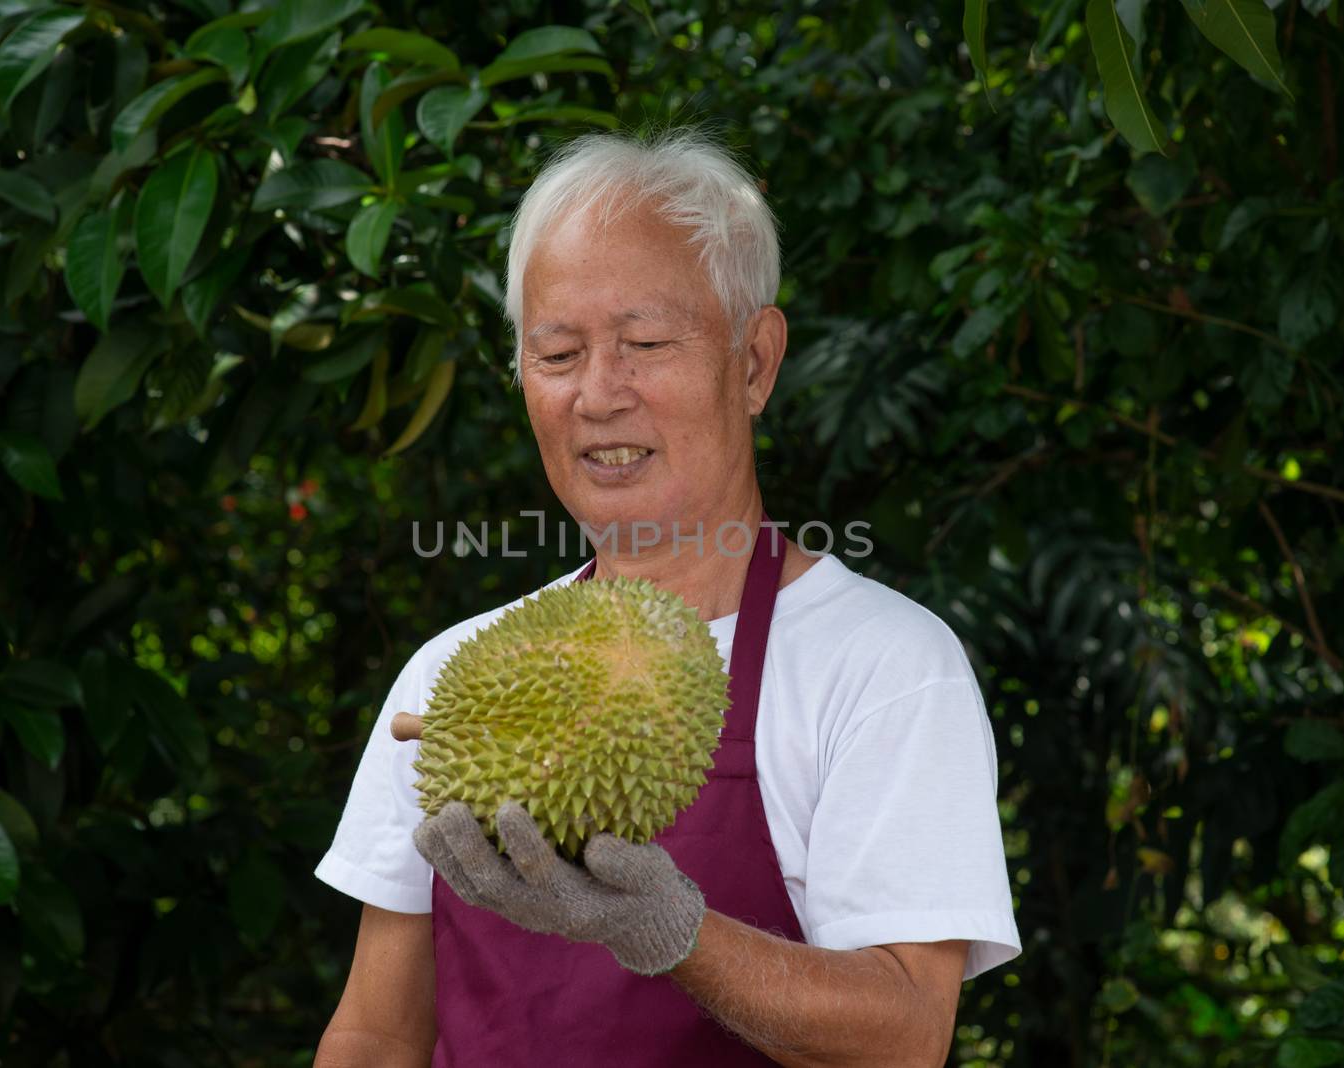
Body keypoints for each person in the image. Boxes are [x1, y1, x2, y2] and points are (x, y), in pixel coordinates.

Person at [312, 130, 1021, 1066]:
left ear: (756, 362)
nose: (600, 394)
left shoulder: (883, 666)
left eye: (646, 343)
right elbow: (376, 1033)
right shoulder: (448, 676)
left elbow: (904, 1038)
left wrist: (674, 931)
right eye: (557, 353)